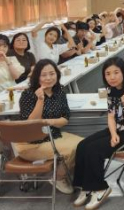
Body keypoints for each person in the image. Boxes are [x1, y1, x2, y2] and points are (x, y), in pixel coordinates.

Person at [73, 57, 124, 210]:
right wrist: (113, 134)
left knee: (94, 149)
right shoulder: (110, 90)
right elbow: (111, 116)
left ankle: (100, 188)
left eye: (116, 72)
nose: (112, 77)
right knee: (82, 145)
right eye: (108, 74)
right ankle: (86, 187)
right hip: (118, 130)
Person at [15, 59, 83, 194]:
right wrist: (40, 100)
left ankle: (71, 176)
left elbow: (65, 118)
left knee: (85, 144)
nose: (48, 78)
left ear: (57, 74)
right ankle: (58, 177)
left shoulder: (59, 90)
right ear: (37, 77)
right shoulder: (28, 94)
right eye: (44, 75)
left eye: (52, 74)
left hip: (54, 135)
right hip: (31, 143)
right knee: (73, 149)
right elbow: (30, 124)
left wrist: (47, 121)